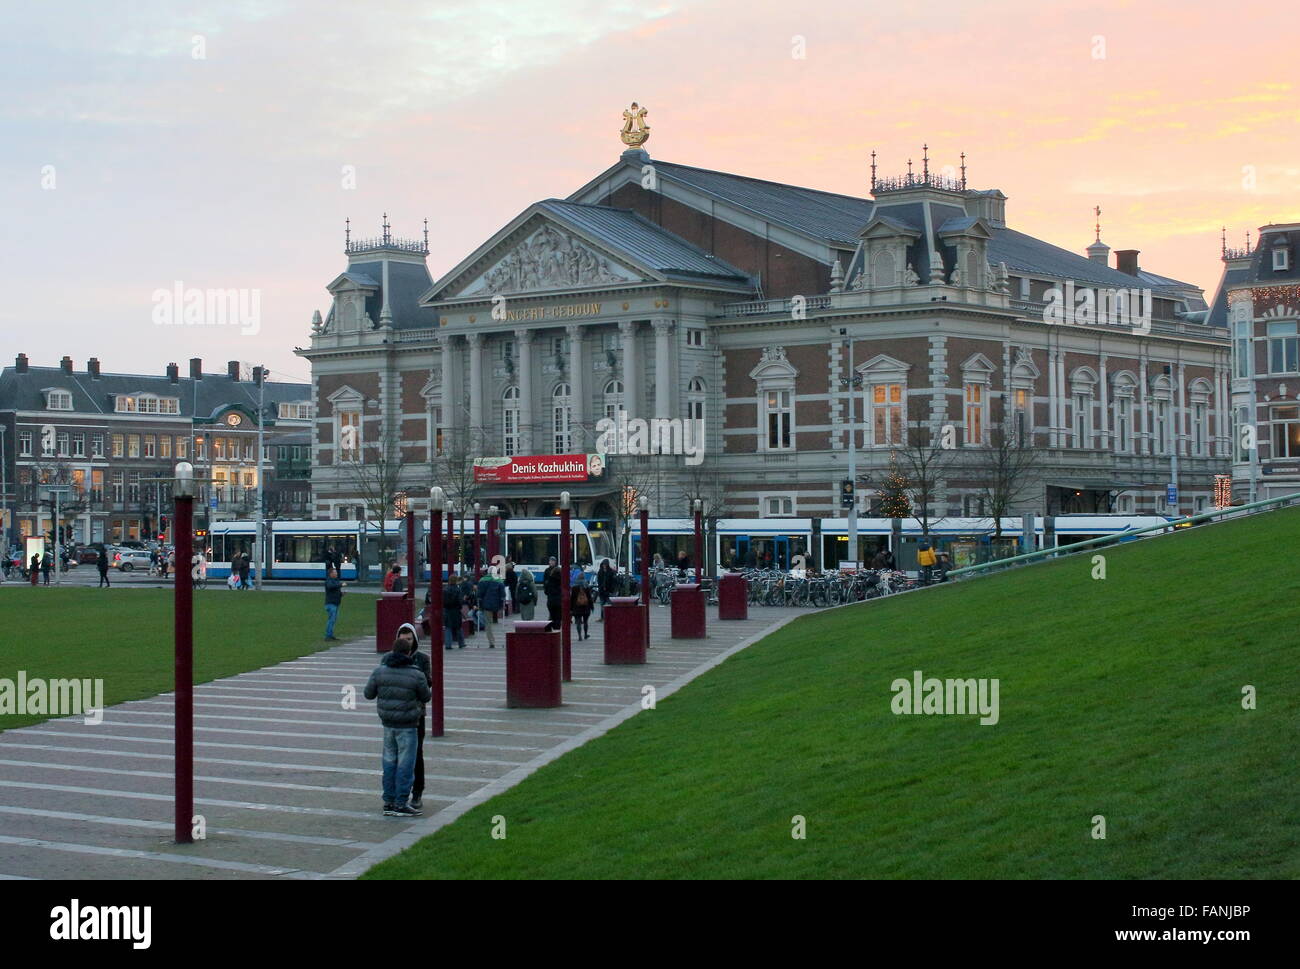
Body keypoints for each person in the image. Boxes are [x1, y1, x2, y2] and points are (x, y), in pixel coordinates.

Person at [363, 631, 431, 817]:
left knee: (389, 763)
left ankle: (388, 801)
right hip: (408, 724)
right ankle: (401, 802)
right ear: (409, 653)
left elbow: (368, 694)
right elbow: (426, 696)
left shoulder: (380, 671)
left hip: (388, 723)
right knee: (405, 765)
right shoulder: (415, 674)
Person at [393, 622, 430, 811]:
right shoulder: (390, 660)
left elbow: (427, 686)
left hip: (416, 714)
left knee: (416, 754)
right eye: (403, 639)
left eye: (409, 639)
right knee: (395, 755)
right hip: (397, 715)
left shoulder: (422, 659)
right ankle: (397, 794)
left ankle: (417, 792)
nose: (407, 643)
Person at [476, 568, 505, 648]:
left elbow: (479, 594)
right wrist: (502, 604)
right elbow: (503, 594)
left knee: (488, 623)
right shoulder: (499, 580)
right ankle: (499, 642)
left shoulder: (482, 580)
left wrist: (479, 602)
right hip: (497, 605)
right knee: (496, 622)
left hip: (486, 605)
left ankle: (491, 642)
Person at [443, 575, 466, 650]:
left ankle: (448, 644)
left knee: (448, 628)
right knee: (458, 627)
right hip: (456, 610)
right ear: (456, 581)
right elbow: (460, 601)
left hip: (447, 610)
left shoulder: (445, 589)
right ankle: (461, 643)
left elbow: (443, 601)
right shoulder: (458, 590)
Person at [324, 567, 344, 640]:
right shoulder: (329, 581)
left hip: (336, 603)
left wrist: (341, 594)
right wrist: (341, 585)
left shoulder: (336, 581)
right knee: (331, 620)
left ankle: (330, 634)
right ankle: (328, 635)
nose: (336, 573)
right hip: (331, 604)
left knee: (333, 620)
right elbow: (330, 587)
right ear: (331, 574)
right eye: (335, 572)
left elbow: (335, 591)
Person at [543, 556, 562, 630]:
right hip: (555, 598)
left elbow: (546, 584)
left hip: (552, 599)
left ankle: (550, 627)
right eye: (551, 561)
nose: (552, 562)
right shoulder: (547, 570)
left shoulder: (551, 578)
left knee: (553, 614)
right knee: (556, 616)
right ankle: (554, 628)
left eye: (553, 561)